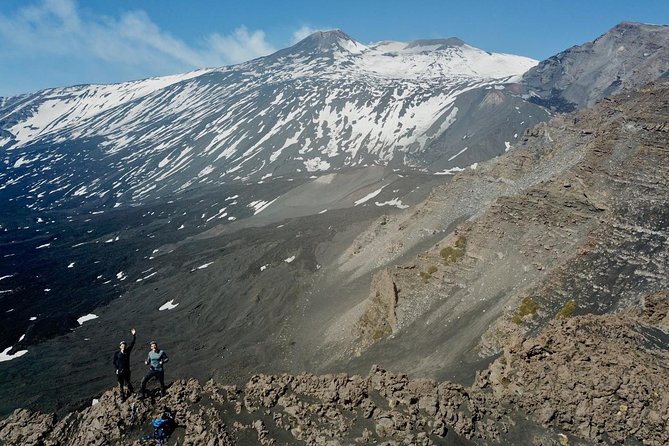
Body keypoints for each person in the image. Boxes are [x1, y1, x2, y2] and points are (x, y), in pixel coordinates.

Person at [113, 328, 136, 401]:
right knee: (120, 384)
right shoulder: (117, 354)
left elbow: (132, 344)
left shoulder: (127, 351)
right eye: (122, 345)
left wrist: (134, 335)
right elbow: (114, 362)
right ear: (120, 346)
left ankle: (132, 392)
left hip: (126, 371)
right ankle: (122, 396)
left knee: (128, 382)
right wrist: (117, 369)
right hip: (119, 371)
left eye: (124, 345)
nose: (123, 346)